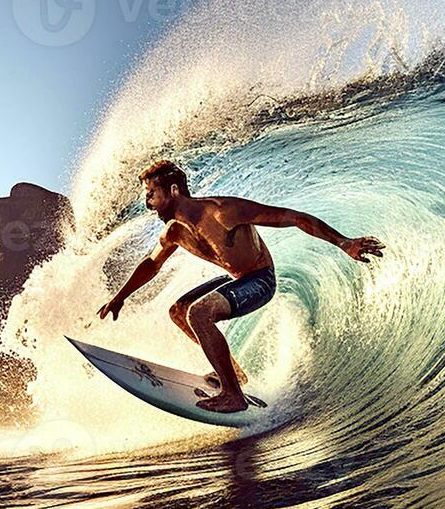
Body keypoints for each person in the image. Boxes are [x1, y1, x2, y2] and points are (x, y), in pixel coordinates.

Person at [97, 159, 385, 412]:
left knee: (199, 313)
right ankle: (235, 375)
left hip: (260, 279)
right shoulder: (174, 232)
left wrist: (344, 242)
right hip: (236, 279)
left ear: (173, 191)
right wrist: (120, 297)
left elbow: (294, 218)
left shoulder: (223, 211)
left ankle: (233, 395)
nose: (148, 203)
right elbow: (152, 263)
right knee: (179, 311)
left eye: (151, 195)